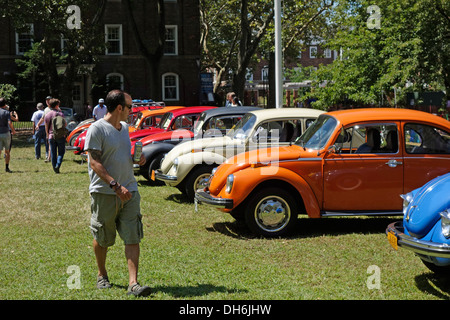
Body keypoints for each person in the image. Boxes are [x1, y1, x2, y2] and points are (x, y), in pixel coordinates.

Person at [84, 89, 150, 297]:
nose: (132, 111)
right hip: (105, 192)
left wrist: (136, 159)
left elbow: (119, 156)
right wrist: (115, 185)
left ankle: (133, 283)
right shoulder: (97, 129)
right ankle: (102, 275)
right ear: (120, 107)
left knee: (133, 236)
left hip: (129, 190)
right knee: (102, 236)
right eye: (130, 107)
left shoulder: (125, 129)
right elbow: (95, 162)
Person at [44, 98, 66, 173]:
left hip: (51, 136)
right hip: (60, 136)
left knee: (53, 153)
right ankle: (58, 165)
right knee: (61, 152)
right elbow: (65, 124)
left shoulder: (47, 115)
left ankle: (54, 168)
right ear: (57, 105)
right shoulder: (61, 114)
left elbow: (46, 127)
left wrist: (47, 136)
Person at [0, 98, 16, 172]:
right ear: (5, 104)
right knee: (7, 151)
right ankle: (6, 167)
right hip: (6, 132)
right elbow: (10, 123)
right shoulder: (6, 112)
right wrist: (13, 131)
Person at [36, 96, 53, 162]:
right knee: (49, 143)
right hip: (48, 129)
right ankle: (49, 158)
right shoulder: (46, 109)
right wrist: (38, 125)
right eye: (46, 100)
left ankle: (51, 157)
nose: (47, 101)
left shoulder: (55, 108)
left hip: (54, 129)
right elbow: (42, 118)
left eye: (49, 100)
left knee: (52, 143)